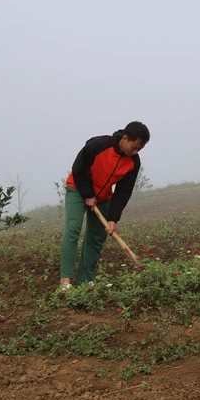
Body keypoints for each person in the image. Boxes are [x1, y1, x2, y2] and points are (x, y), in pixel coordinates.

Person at [59, 121, 150, 290]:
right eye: (134, 147)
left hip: (102, 196)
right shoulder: (98, 145)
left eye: (140, 149)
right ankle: (65, 280)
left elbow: (123, 192)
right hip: (78, 188)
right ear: (124, 138)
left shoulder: (133, 163)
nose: (136, 152)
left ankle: (85, 279)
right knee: (73, 229)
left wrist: (113, 218)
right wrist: (88, 193)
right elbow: (78, 168)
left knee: (97, 235)